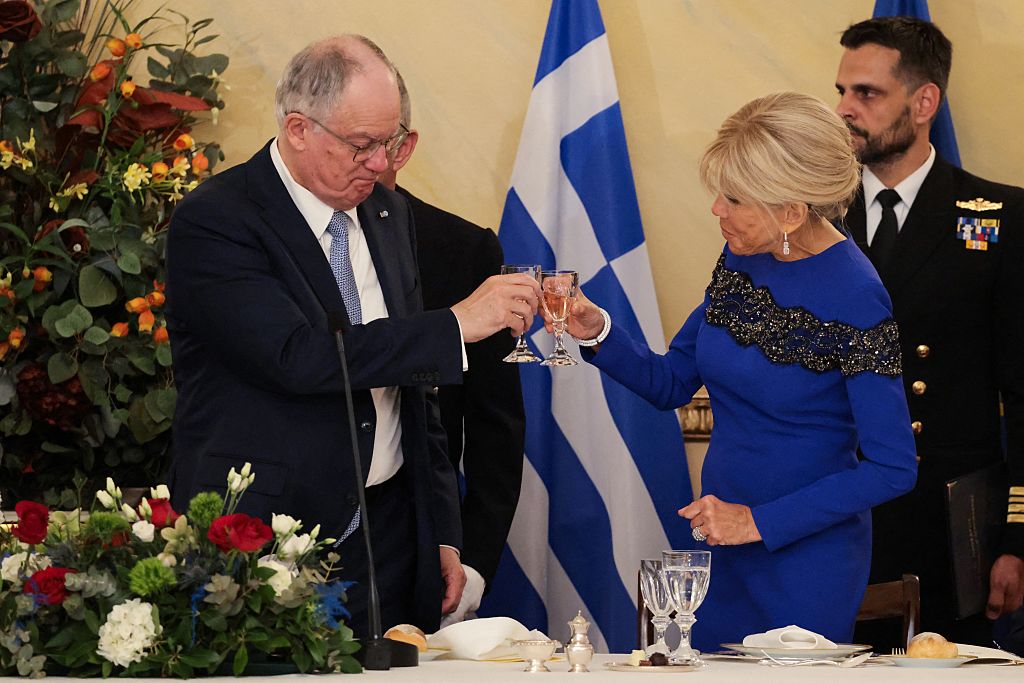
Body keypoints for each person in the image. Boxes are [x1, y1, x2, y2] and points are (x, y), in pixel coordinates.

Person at [164, 35, 540, 636]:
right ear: (298, 129)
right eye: (363, 145)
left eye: (390, 142)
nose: (380, 163)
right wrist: (453, 324)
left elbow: (417, 395)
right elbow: (297, 357)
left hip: (389, 539)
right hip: (261, 540)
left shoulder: (385, 214)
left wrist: (442, 531)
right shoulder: (218, 219)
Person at [550, 92, 917, 650]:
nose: (716, 210)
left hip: (804, 564)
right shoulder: (742, 255)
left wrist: (757, 522)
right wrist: (596, 329)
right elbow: (671, 382)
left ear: (791, 211)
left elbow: (893, 467)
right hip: (719, 549)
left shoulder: (857, 294)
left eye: (735, 199)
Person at [836, 16, 1024, 647]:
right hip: (833, 512)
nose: (845, 109)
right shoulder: (810, 217)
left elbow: (1023, 392)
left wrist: (1018, 538)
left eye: (867, 93)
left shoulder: (1001, 218)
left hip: (947, 524)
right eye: (842, 91)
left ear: (923, 103)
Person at [379, 71, 526, 625]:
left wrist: (477, 562)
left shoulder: (463, 250)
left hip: (421, 553)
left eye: (374, 143)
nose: (360, 160)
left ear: (403, 147)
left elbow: (496, 428)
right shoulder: (278, 242)